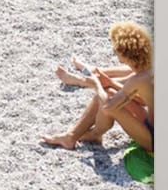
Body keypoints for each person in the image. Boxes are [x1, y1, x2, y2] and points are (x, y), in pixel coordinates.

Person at [42, 22, 152, 153]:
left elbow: (108, 108)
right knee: (110, 91)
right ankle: (73, 136)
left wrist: (97, 84)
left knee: (107, 96)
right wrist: (110, 82)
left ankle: (89, 135)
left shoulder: (137, 80)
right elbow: (143, 100)